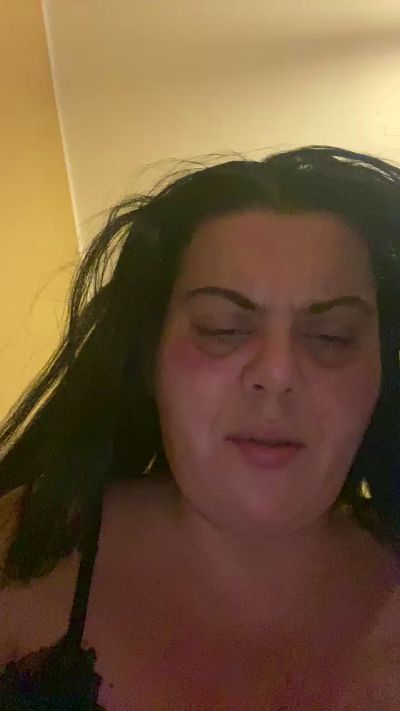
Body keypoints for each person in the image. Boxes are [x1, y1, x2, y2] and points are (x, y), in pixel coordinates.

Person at [0, 145, 399, 710]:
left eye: (332, 336)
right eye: (221, 328)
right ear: (149, 359)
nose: (277, 374)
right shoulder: (22, 548)